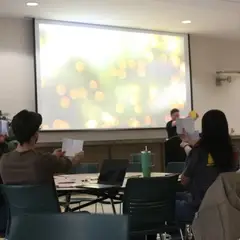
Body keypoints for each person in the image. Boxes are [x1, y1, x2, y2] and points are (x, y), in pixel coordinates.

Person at [176, 109, 237, 223]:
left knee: (170, 201)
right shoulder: (233, 152)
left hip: (199, 208)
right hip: (227, 208)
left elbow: (184, 181)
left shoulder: (198, 152)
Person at [0, 110, 83, 184]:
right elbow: (69, 164)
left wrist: (53, 156)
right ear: (35, 134)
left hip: (15, 202)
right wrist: (76, 158)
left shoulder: (4, 160)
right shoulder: (44, 160)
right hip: (44, 201)